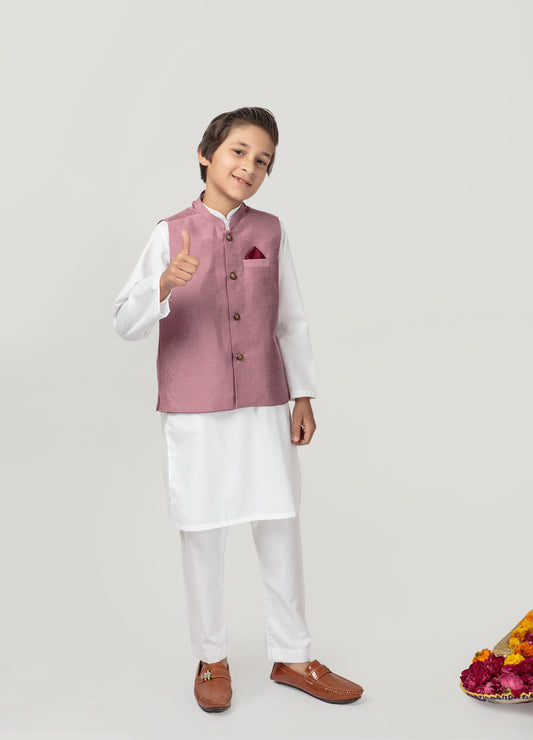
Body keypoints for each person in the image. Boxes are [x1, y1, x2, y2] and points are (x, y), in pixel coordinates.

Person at [113, 107, 364, 712]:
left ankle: (294, 656)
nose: (249, 166)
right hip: (194, 406)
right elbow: (124, 322)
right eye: (239, 152)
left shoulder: (271, 232)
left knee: (278, 522)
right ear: (206, 154)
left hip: (263, 398)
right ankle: (211, 658)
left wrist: (303, 395)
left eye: (263, 161)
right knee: (202, 529)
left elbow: (291, 318)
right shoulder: (169, 232)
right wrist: (163, 284)